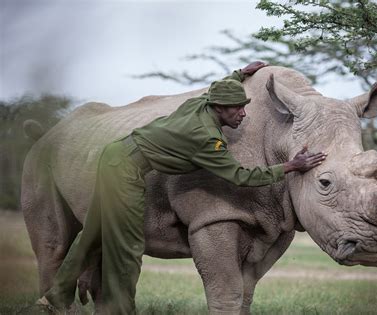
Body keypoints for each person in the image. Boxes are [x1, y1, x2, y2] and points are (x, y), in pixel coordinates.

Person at [35, 62, 327, 314]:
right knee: (128, 248)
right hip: (125, 172)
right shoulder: (207, 138)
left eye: (244, 106)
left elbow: (216, 87)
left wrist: (240, 73)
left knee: (93, 233)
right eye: (237, 108)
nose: (243, 114)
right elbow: (240, 176)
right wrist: (290, 166)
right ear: (220, 108)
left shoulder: (198, 105)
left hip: (114, 155)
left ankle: (55, 296)